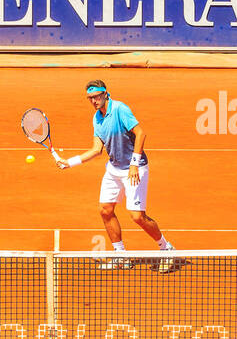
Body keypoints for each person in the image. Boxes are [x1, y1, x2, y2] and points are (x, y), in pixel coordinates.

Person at [55, 81, 180, 274]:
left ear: (106, 94)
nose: (94, 101)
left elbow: (140, 133)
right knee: (105, 210)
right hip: (113, 169)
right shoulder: (97, 118)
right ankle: (120, 256)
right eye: (90, 98)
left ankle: (167, 249)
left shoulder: (120, 109)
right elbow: (97, 149)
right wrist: (69, 162)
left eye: (97, 96)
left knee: (137, 217)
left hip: (134, 168)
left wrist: (134, 164)